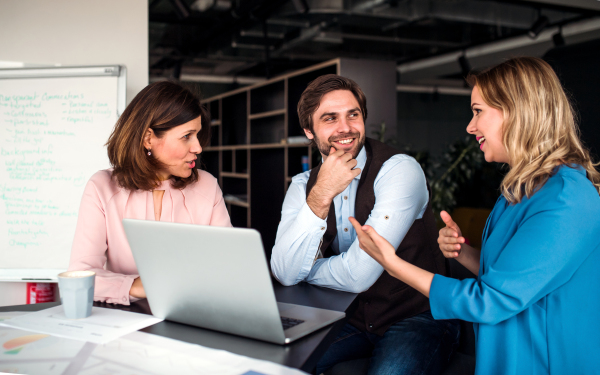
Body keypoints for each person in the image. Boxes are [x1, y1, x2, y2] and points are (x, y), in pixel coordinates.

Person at [350, 57, 600, 375]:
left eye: (478, 111)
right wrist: (464, 253)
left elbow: (490, 300)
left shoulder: (566, 198)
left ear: (517, 110)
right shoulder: (522, 189)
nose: (470, 126)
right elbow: (513, 277)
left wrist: (392, 263)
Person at [270, 74, 459, 375]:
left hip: (418, 315)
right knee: (277, 365)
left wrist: (305, 271)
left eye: (353, 115)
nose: (345, 128)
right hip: (351, 316)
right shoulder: (304, 185)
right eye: (330, 118)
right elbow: (282, 271)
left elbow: (358, 276)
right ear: (309, 130)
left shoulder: (399, 170)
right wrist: (321, 194)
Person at [68, 81, 232, 305]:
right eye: (187, 136)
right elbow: (81, 276)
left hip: (193, 316)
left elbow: (229, 269)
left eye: (197, 135)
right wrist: (140, 286)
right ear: (148, 139)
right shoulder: (101, 187)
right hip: (124, 322)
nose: (198, 147)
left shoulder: (207, 186)